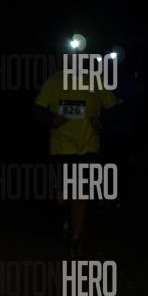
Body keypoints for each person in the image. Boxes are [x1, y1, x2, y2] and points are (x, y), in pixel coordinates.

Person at [33, 62, 119, 257]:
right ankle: (66, 221)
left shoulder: (96, 81)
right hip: (62, 148)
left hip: (88, 147)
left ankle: (75, 240)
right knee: (62, 197)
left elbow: (114, 107)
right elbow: (37, 109)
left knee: (81, 194)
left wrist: (103, 121)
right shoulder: (55, 81)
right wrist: (51, 119)